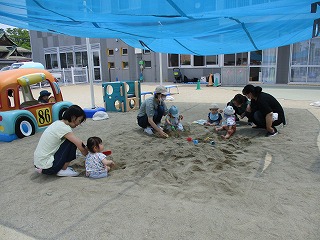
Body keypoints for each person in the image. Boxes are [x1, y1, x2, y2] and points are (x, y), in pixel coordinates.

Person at [34, 105, 88, 177]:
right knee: (71, 143)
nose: (79, 124)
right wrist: (90, 155)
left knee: (70, 141)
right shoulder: (63, 128)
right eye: (79, 120)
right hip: (48, 167)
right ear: (73, 118)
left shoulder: (57, 123)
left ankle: (61, 167)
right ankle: (63, 169)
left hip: (39, 164)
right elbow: (79, 144)